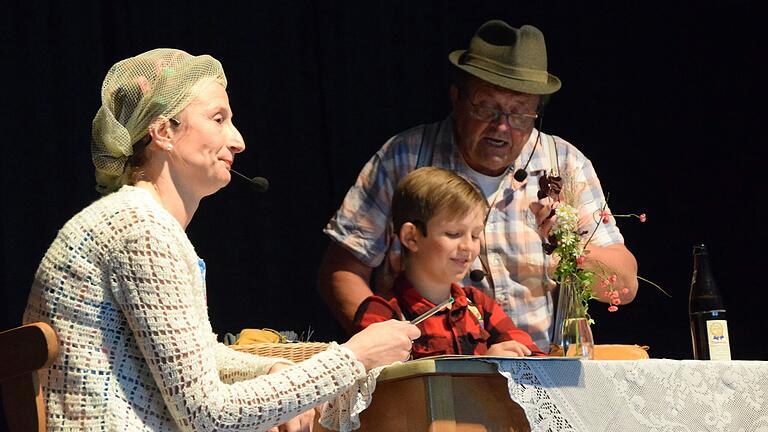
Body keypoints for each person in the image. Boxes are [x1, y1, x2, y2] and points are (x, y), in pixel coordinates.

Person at [23, 48, 419, 432]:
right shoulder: (140, 231)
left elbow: (197, 357)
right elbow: (210, 417)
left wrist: (270, 368)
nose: (238, 140)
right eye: (218, 118)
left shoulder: (139, 222)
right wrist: (353, 357)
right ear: (163, 131)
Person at [318, 20, 638, 351]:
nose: (501, 126)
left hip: (543, 367)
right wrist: (392, 352)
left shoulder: (565, 162)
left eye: (519, 114)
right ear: (457, 98)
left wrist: (569, 247)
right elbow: (341, 272)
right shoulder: (404, 157)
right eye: (486, 106)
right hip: (429, 370)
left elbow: (624, 287)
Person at [353, 167, 546, 358]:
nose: (468, 246)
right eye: (453, 234)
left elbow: (538, 360)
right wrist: (486, 367)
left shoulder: (478, 305)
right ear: (411, 237)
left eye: (475, 235)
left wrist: (519, 361)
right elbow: (384, 385)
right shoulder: (384, 312)